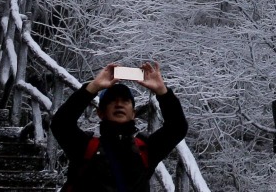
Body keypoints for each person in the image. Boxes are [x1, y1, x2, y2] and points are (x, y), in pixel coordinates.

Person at [51, 61, 188, 192]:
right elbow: (61, 123)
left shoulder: (145, 150)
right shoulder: (86, 148)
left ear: (133, 113)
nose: (119, 104)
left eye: (125, 100)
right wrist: (93, 87)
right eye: (112, 100)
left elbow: (177, 127)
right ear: (100, 113)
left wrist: (162, 92)